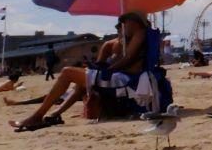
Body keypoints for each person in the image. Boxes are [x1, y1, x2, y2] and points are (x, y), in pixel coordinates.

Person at [9, 12, 149, 131]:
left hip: (124, 79)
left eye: (123, 25)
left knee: (67, 72)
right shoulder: (110, 44)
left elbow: (128, 59)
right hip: (113, 77)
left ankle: (37, 117)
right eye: (119, 26)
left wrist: (109, 69)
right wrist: (95, 68)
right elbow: (100, 64)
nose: (120, 28)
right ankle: (55, 114)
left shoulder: (139, 34)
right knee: (79, 83)